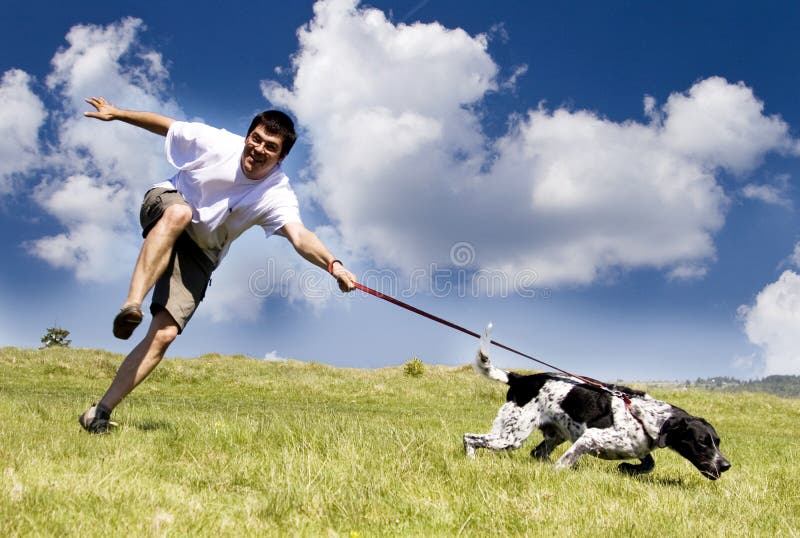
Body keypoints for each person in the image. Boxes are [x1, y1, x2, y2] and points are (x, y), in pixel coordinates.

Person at [78, 97, 357, 434]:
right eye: (255, 138)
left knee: (165, 334)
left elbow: (299, 236)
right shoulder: (217, 142)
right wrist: (118, 114)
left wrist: (333, 264)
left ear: (281, 157)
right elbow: (166, 125)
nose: (258, 149)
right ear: (247, 136)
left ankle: (99, 413)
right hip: (167, 203)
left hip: (202, 251)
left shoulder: (277, 193)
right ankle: (132, 305)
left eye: (270, 146)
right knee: (180, 213)